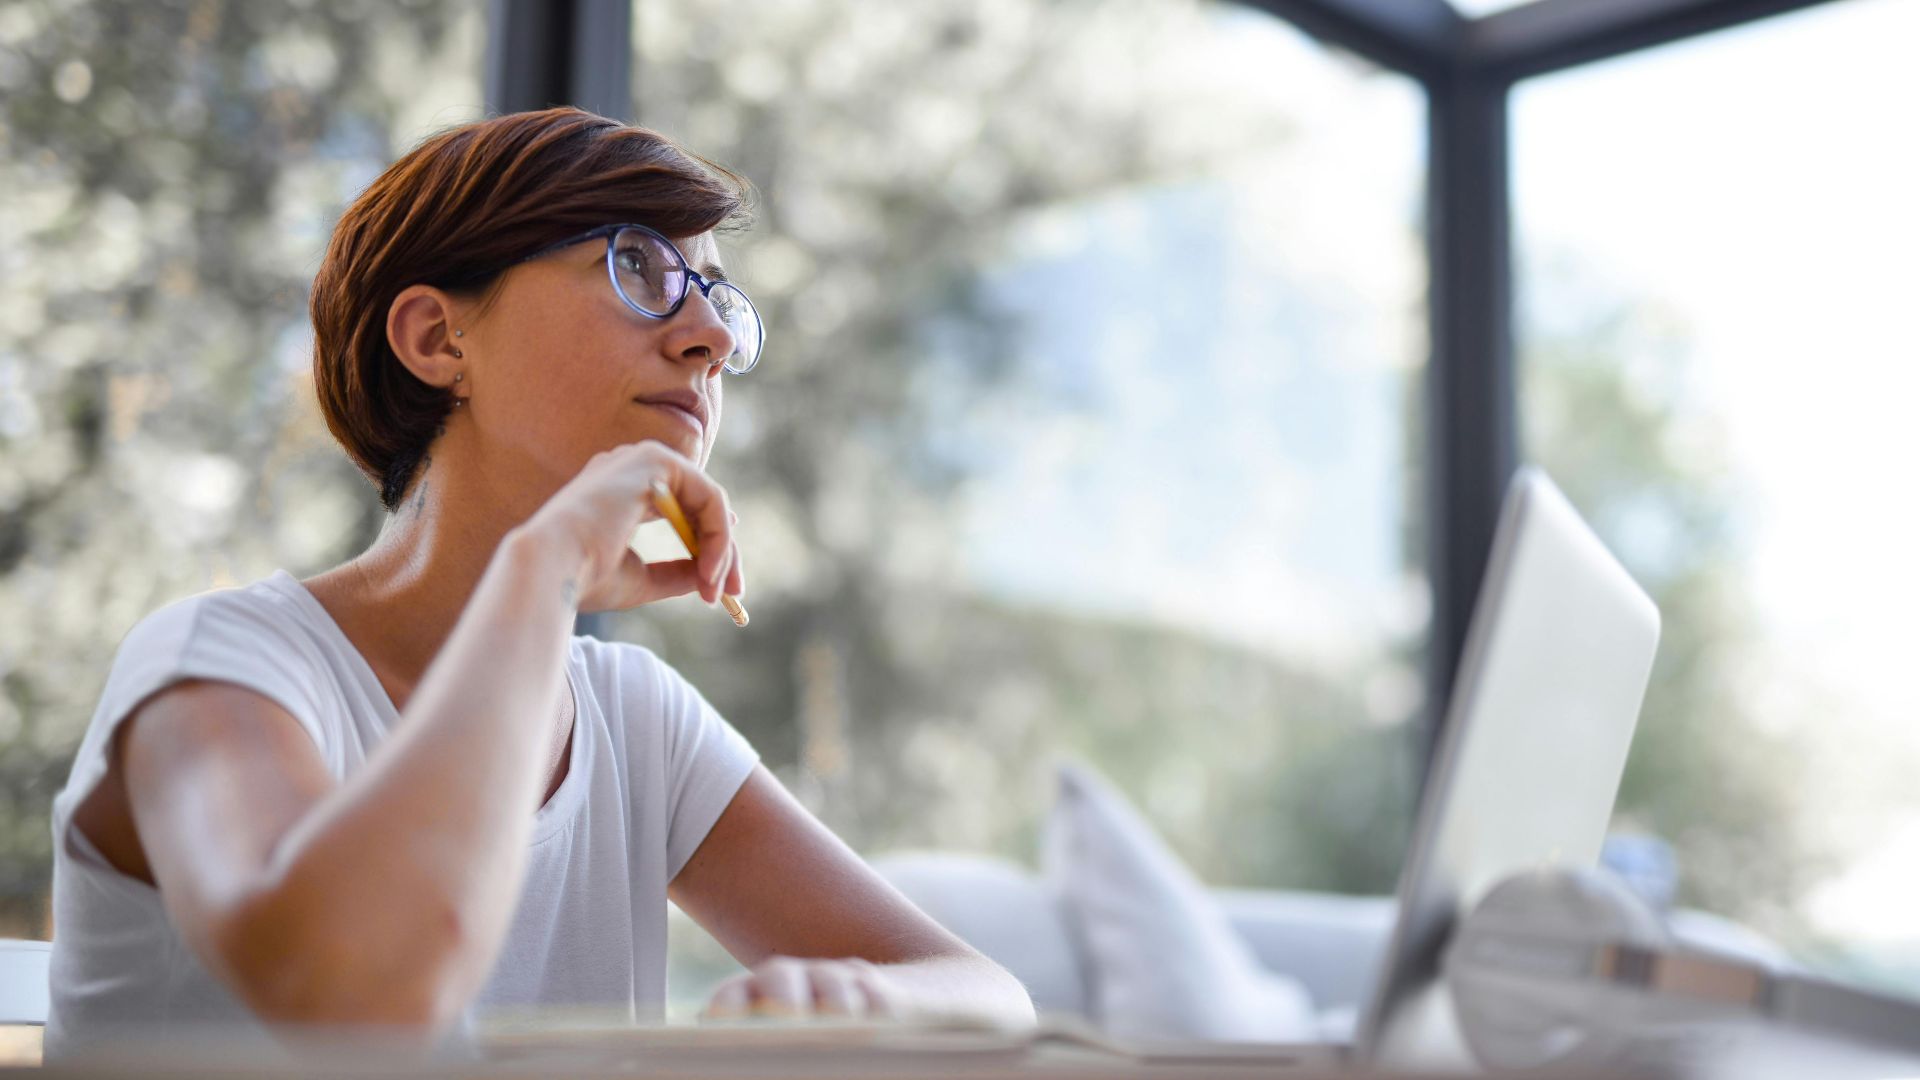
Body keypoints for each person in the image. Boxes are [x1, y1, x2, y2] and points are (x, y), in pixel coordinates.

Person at [43, 107, 1034, 1056]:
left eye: (717, 297)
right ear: (438, 339)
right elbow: (360, 995)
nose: (714, 339)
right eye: (638, 265)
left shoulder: (637, 722)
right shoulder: (220, 667)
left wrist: (856, 998)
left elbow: (989, 997)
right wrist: (545, 566)